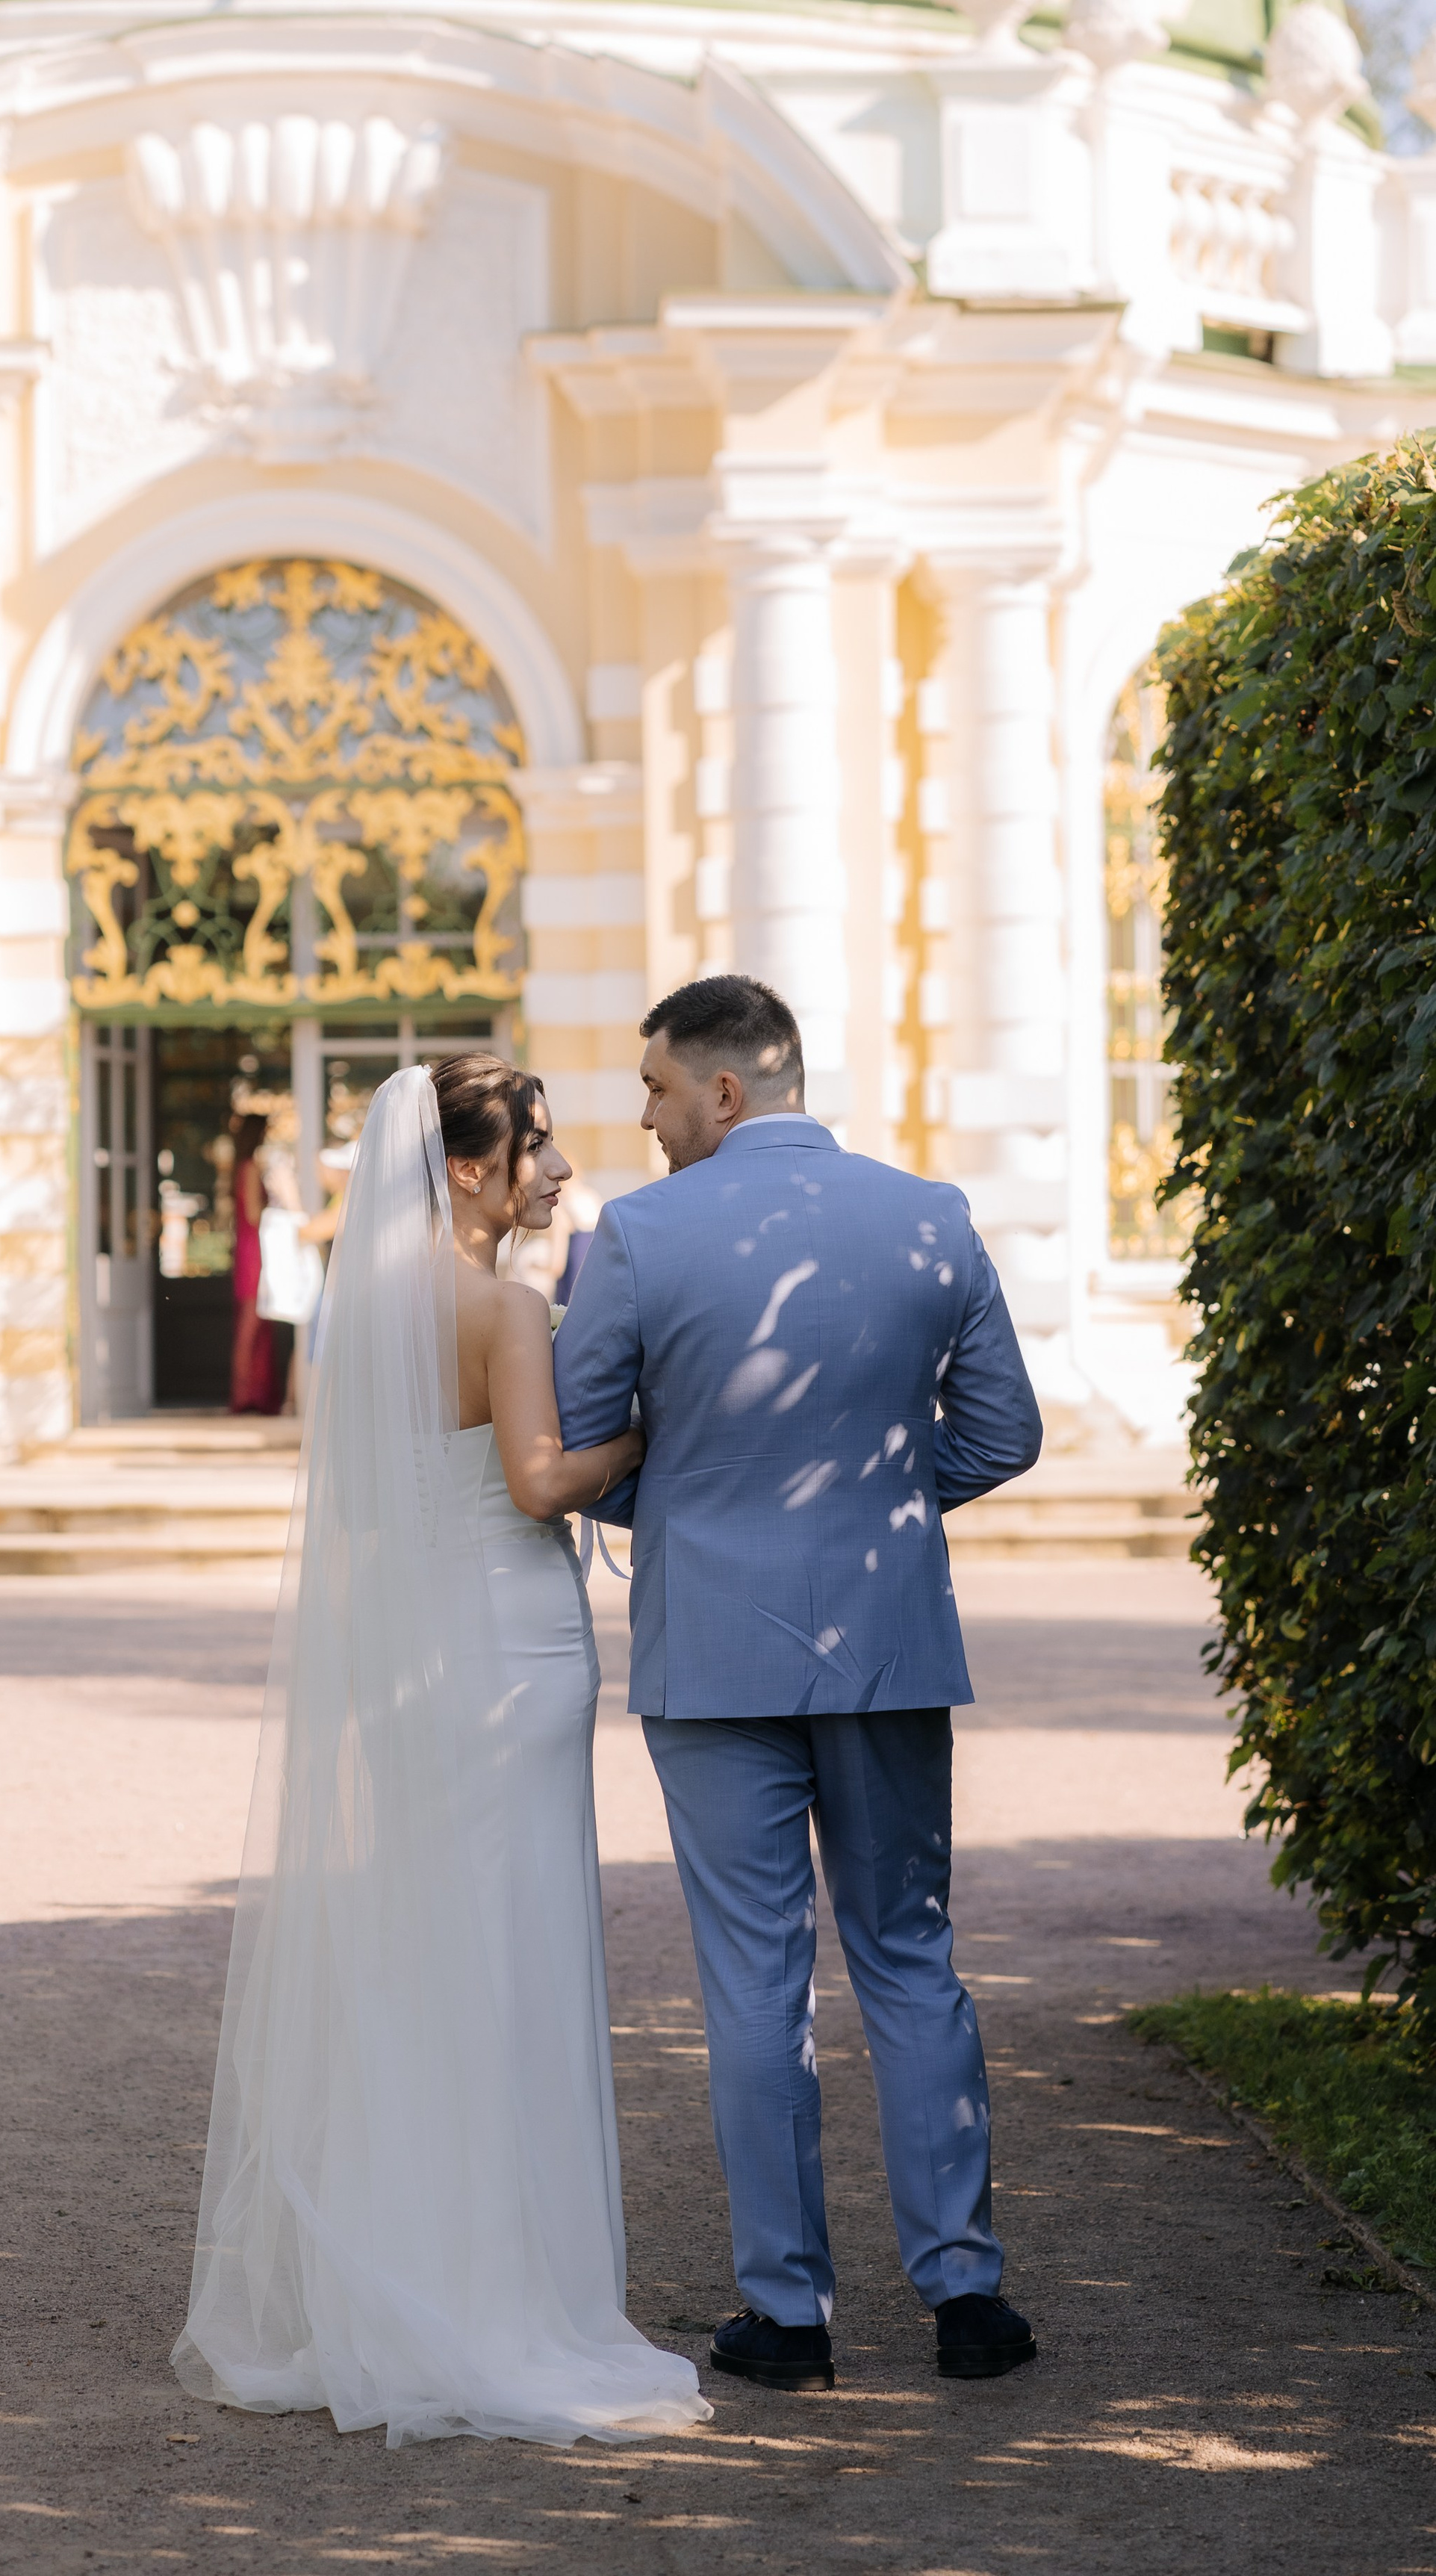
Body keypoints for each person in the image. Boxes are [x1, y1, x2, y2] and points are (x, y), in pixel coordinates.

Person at [172, 1057, 709, 2447]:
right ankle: (497, 2301)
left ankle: (397, 2272)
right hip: (511, 1647)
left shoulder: (361, 1311)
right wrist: (637, 1438)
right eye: (537, 1151)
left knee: (426, 1962)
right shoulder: (506, 1304)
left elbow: (361, 1518)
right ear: (468, 1169)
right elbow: (538, 1481)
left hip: (413, 1660)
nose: (559, 1173)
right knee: (514, 1963)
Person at [553, 973, 1045, 2392]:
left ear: (724, 1089)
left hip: (712, 1652)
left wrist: (700, 1505)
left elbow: (591, 1436)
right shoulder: (932, 1216)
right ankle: (968, 2301)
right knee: (911, 1958)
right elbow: (1003, 1431)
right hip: (889, 1641)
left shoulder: (638, 1239)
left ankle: (790, 2318)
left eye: (654, 1088)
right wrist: (884, 1509)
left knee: (754, 1985)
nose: (641, 1120)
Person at [227, 1111, 282, 1416]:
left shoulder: (242, 1166)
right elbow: (253, 1214)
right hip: (254, 1254)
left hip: (251, 1250)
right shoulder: (249, 1168)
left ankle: (254, 1395)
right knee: (252, 1327)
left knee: (254, 1326)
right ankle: (246, 1395)